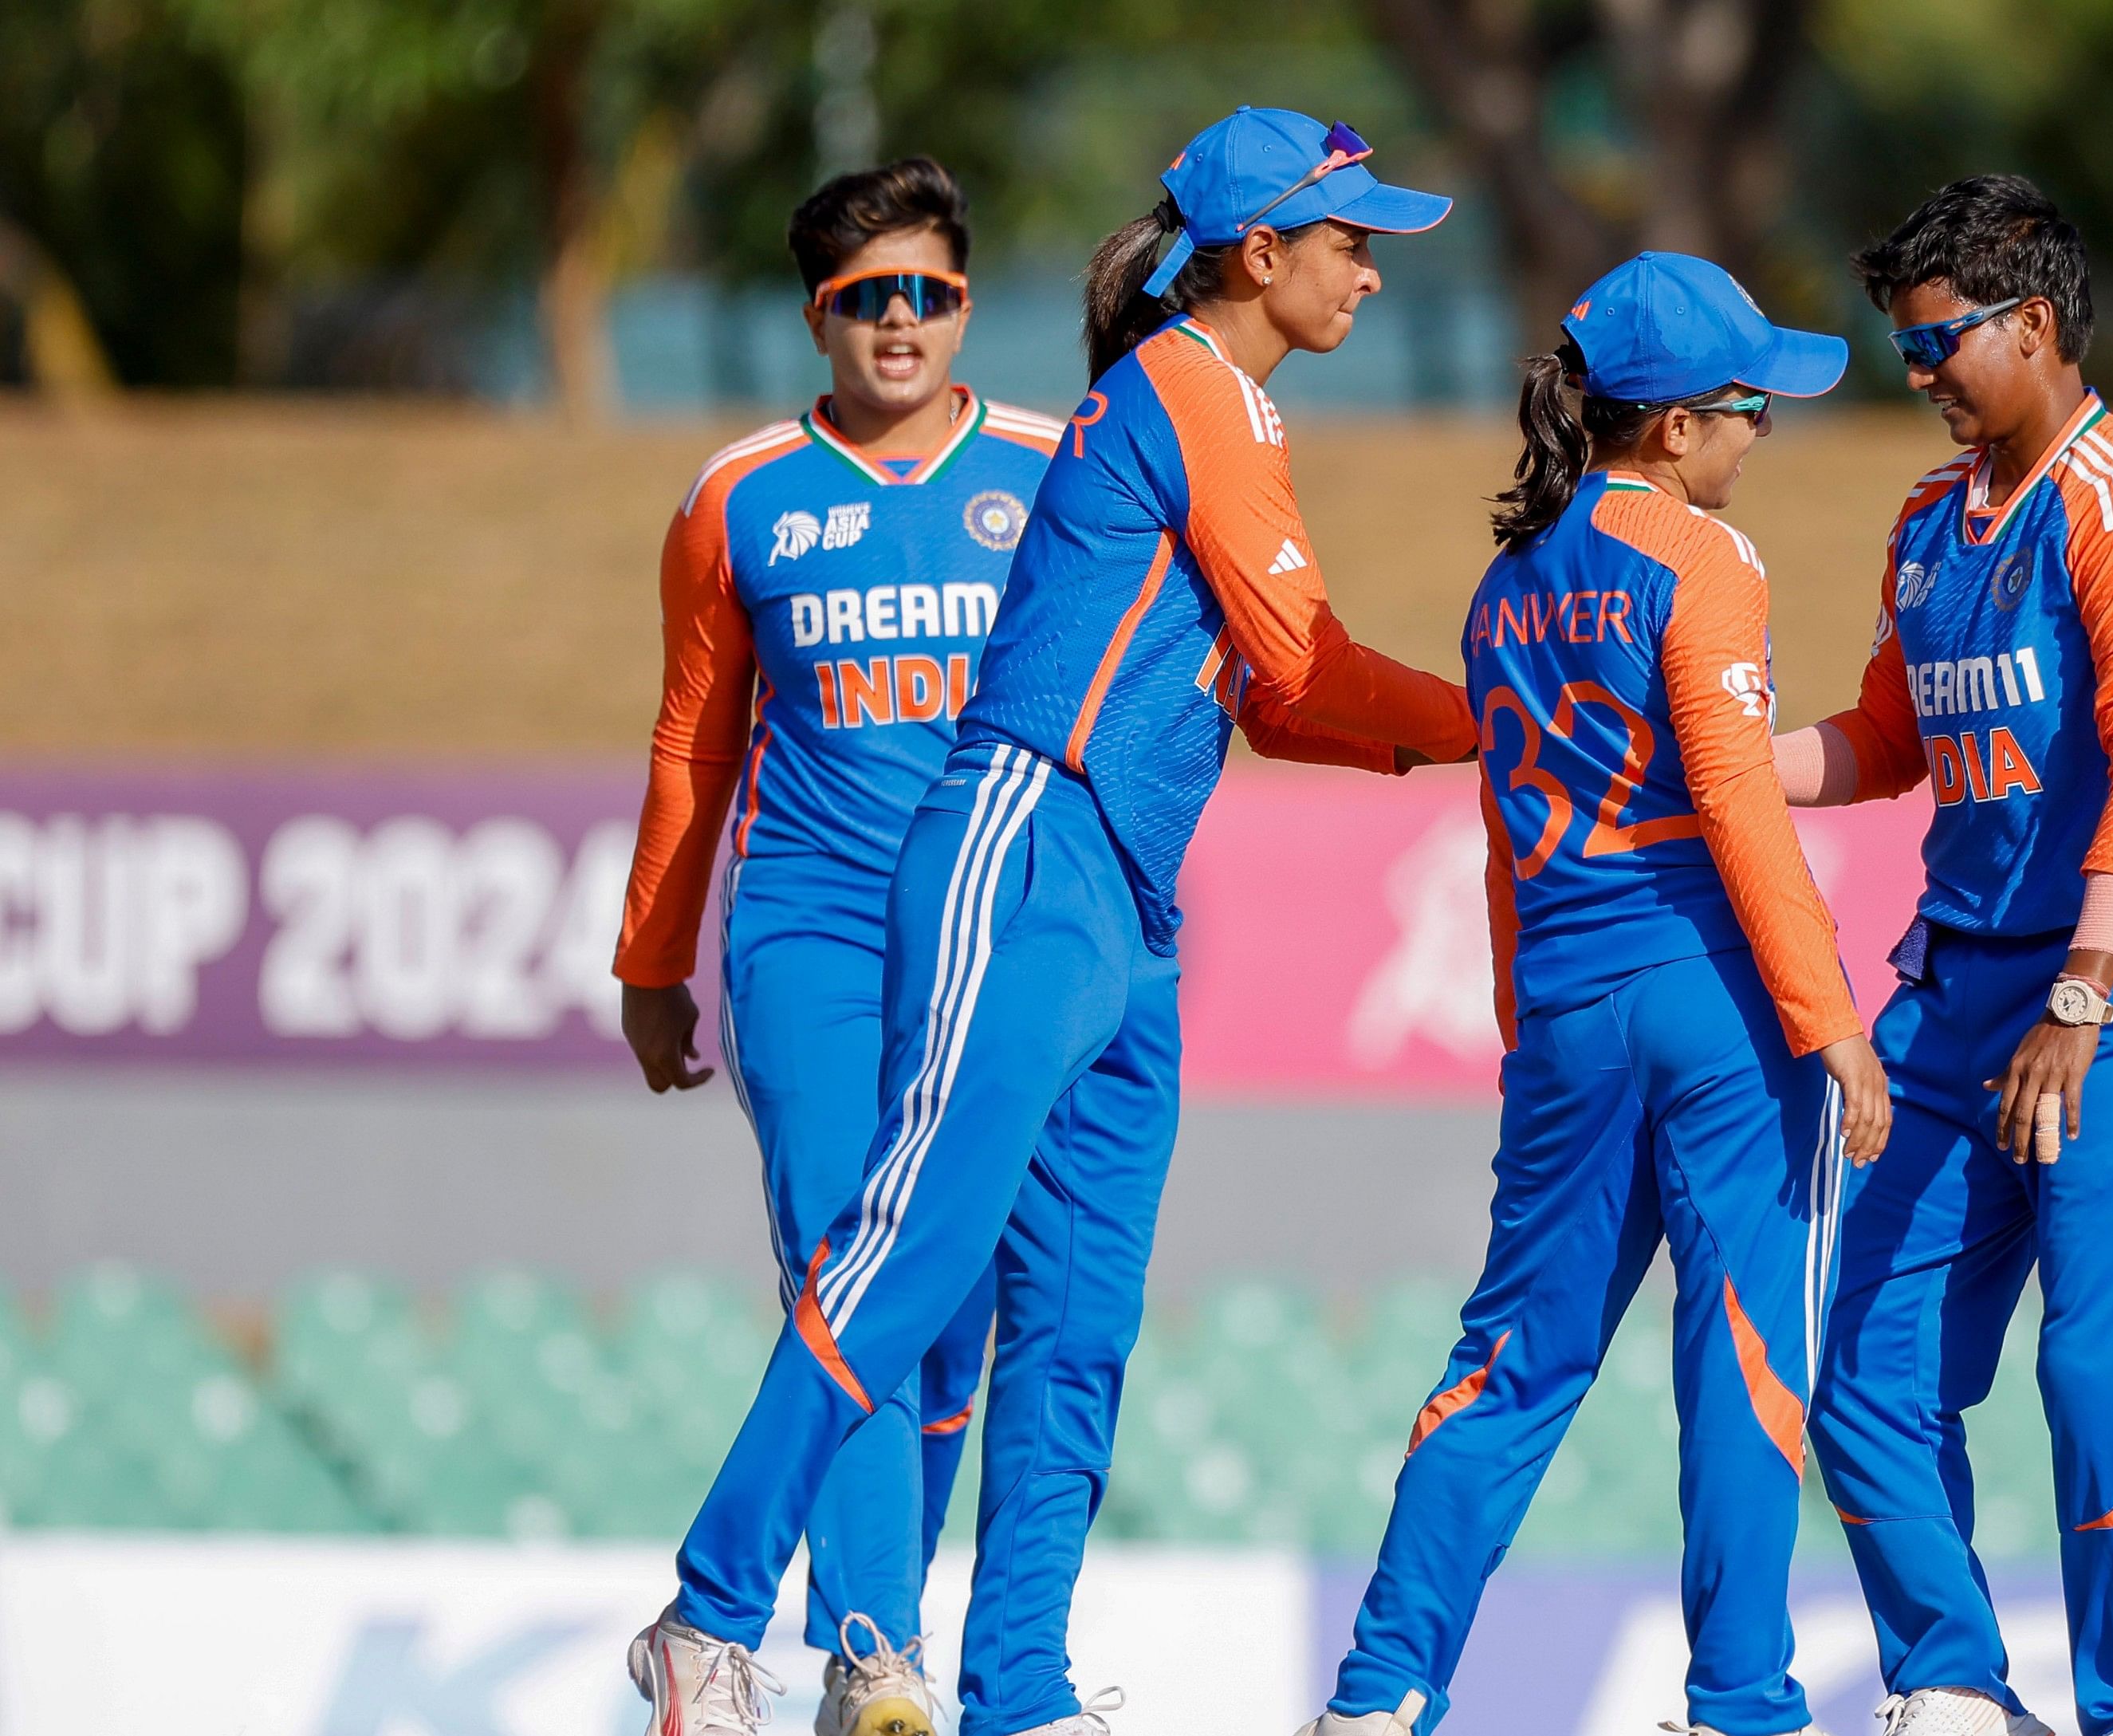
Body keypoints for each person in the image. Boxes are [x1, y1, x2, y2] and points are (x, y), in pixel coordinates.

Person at [625, 107, 1478, 1736]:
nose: (1370, 271)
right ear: (1257, 253)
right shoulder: (1185, 392)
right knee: (912, 1243)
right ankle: (715, 1612)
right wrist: (1511, 719)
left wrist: (1473, 726)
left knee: (1079, 1315)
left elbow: (1285, 708)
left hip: (1130, 898)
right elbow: (1304, 670)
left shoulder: (1203, 405)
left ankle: (1016, 1688)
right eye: (1351, 239)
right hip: (1030, 851)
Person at [1297, 252, 1893, 1736]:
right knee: (1745, 1359)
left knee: (1507, 1362)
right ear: (1674, 426)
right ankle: (1741, 1704)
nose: (1762, 433)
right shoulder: (1705, 561)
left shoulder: (1506, 585)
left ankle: (1376, 1696)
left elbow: (1502, 828)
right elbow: (1742, 807)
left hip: (1567, 1005)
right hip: (1710, 1000)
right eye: (1748, 406)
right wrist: (1830, 1022)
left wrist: (1527, 1017)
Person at [1779, 175, 2113, 1736]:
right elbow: (1881, 740)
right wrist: (1712, 761)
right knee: (1851, 1360)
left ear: (2036, 324)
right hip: (1960, 984)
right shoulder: (1930, 522)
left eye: (1936, 346)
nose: (1915, 376)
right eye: (1902, 349)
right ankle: (1956, 1689)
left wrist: (2082, 992)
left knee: (2095, 1364)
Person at [614, 155, 1051, 1736]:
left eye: (927, 293)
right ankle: (870, 1655)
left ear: (964, 305)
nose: (899, 324)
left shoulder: (1057, 472)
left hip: (987, 943)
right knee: (845, 1269)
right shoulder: (738, 497)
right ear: (818, 317)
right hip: (806, 932)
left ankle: (865, 1649)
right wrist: (651, 962)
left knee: (951, 1315)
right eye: (867, 298)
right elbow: (690, 746)